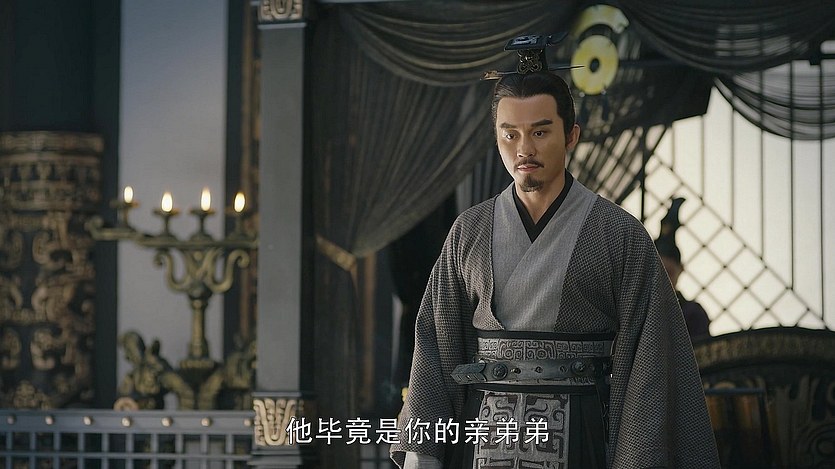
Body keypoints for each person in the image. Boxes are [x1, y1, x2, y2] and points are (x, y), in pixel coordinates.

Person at [390, 34, 719, 468]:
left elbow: (652, 365)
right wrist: (423, 452)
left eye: (541, 131)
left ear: (571, 135)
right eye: (510, 134)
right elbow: (435, 348)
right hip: (484, 432)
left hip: (580, 429)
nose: (524, 149)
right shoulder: (469, 231)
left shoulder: (619, 234)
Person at [654, 198, 712, 341]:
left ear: (681, 270)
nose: (664, 279)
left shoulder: (692, 313)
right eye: (659, 272)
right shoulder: (634, 309)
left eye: (669, 273)